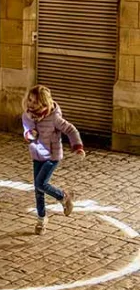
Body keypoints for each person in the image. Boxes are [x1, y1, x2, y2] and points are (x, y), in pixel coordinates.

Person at [22, 85, 85, 235]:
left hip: (52, 155)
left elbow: (70, 129)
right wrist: (30, 134)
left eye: (35, 102)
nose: (30, 104)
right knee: (38, 190)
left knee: (40, 183)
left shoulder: (54, 117)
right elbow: (26, 133)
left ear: (44, 103)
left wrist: (77, 146)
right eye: (29, 100)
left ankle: (63, 197)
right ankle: (41, 219)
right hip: (37, 155)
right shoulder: (27, 116)